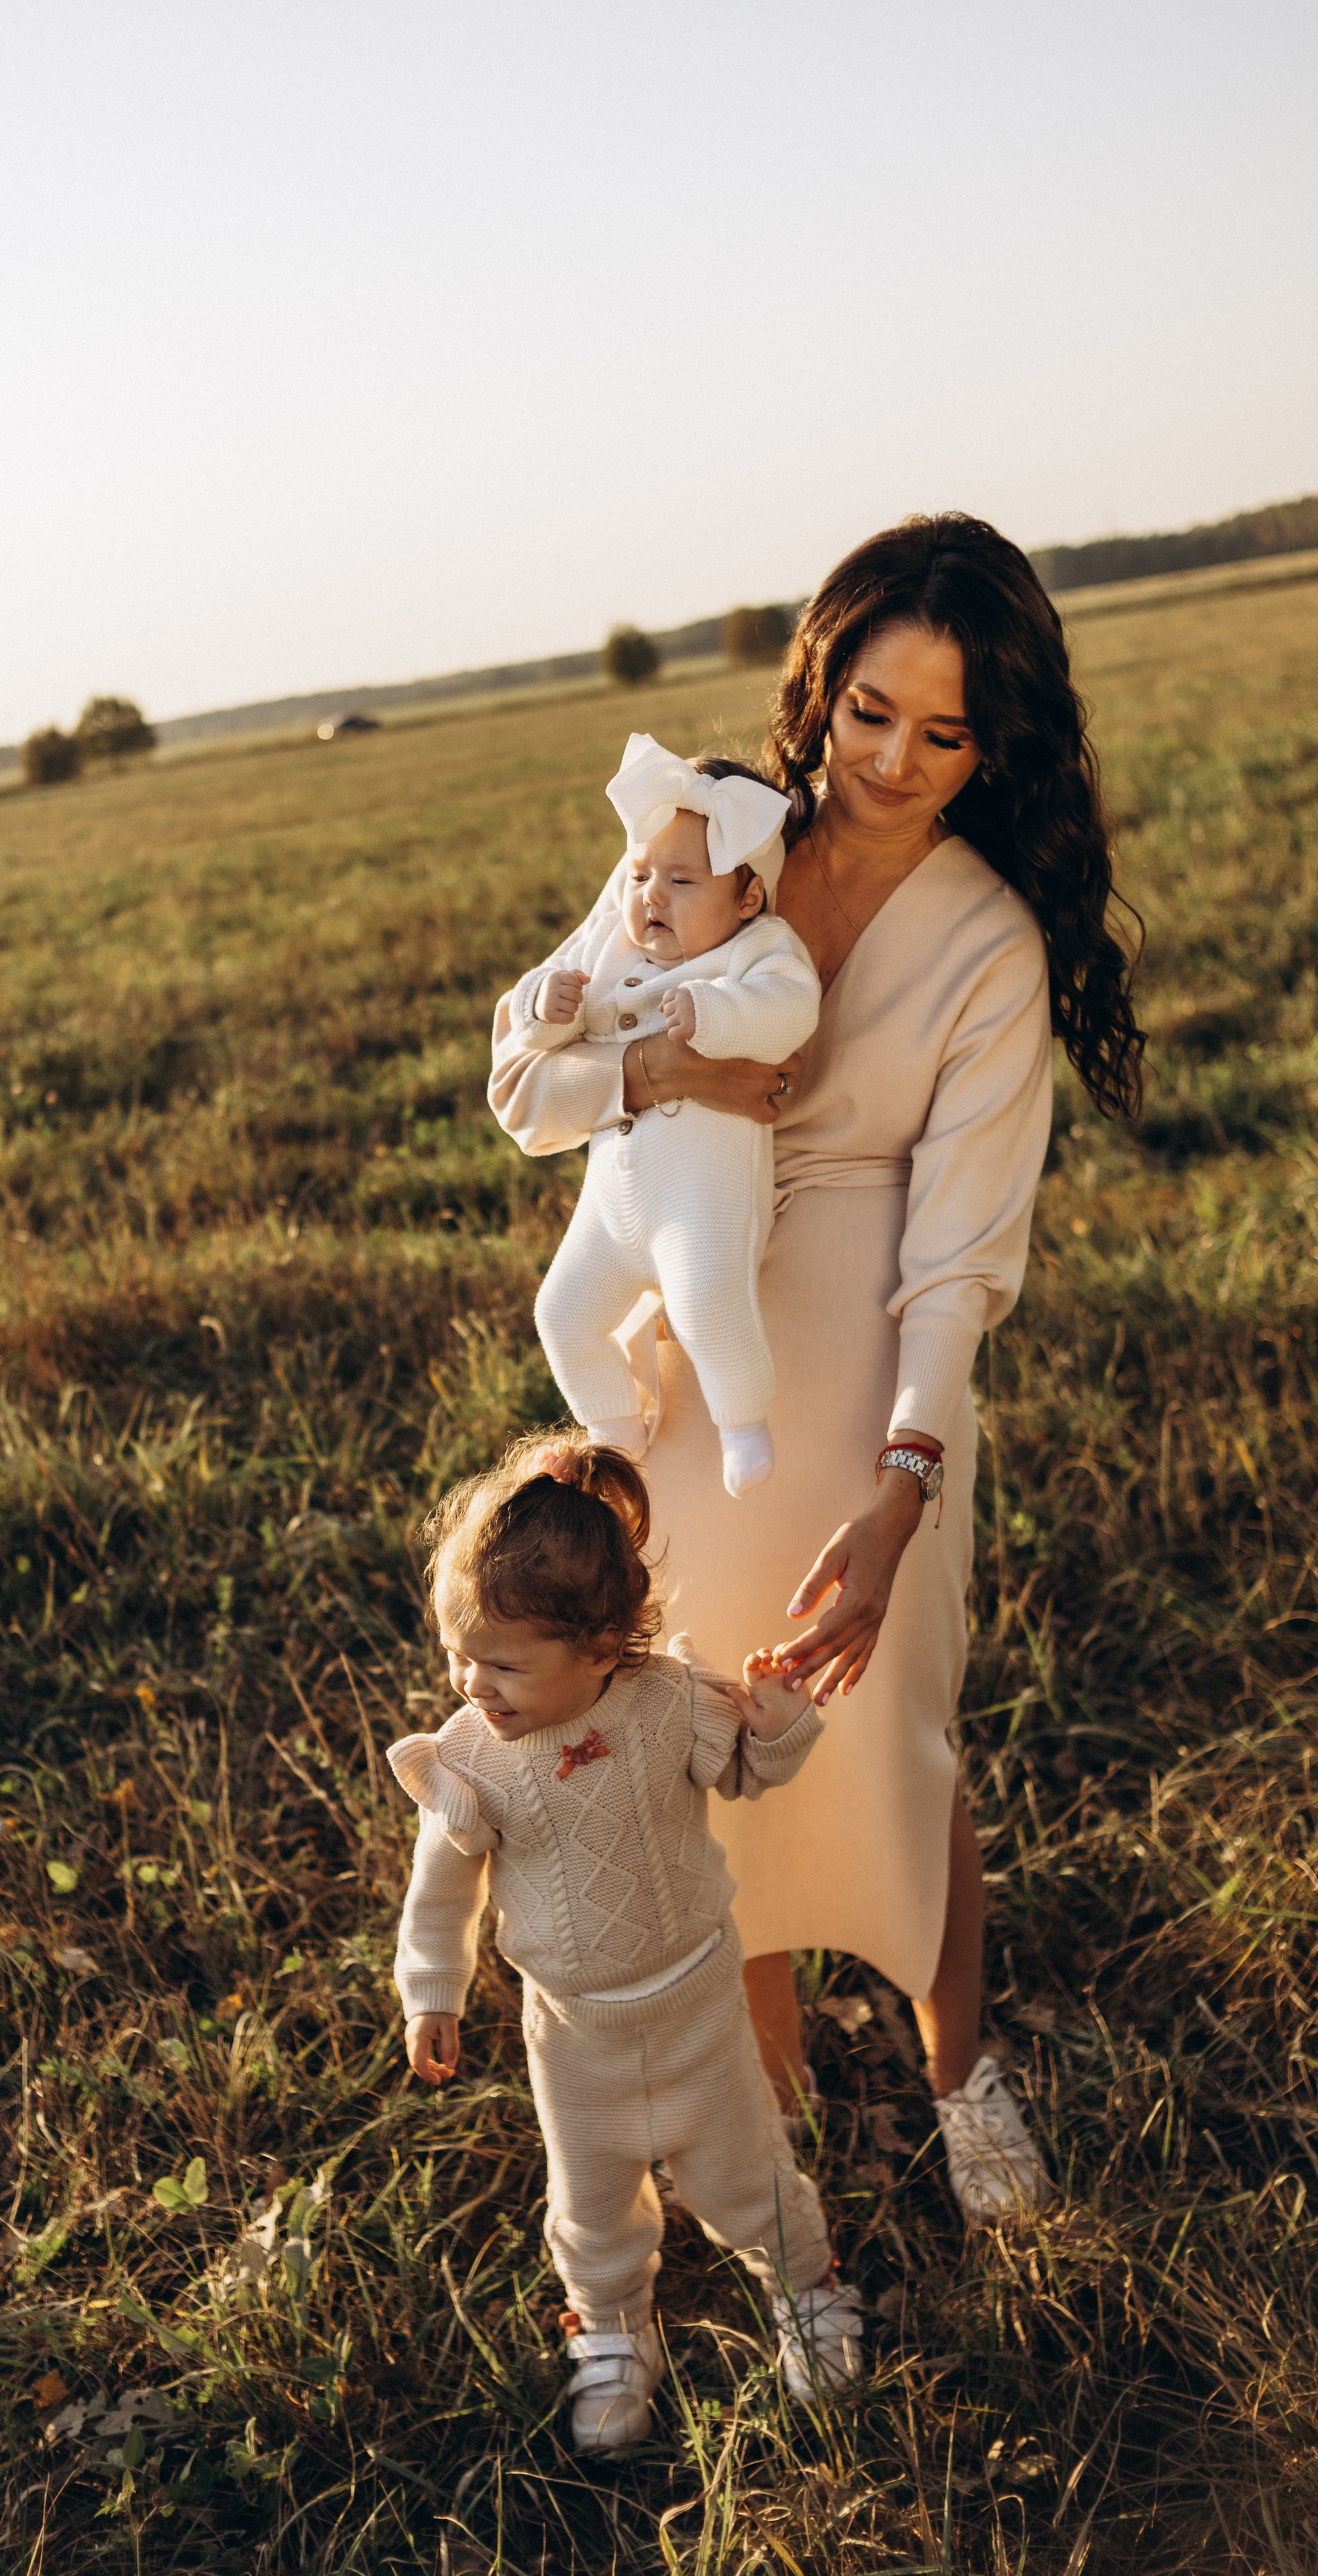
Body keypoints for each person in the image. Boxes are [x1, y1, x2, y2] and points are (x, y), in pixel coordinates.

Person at [489, 514, 1144, 2221]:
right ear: (817, 684)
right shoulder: (700, 839)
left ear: (996, 745)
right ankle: (770, 2116)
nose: (892, 763)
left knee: (888, 1735)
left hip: (868, 1376)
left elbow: (958, 1257)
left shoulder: (988, 940)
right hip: (693, 1369)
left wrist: (906, 1481)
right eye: (867, 712)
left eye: (943, 734)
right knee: (705, 1731)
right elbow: (532, 1078)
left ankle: (957, 2071)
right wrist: (665, 1074)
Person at [388, 1435, 866, 2449]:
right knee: (593, 2196)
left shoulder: (669, 1705)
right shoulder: (472, 1760)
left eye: (504, 1664)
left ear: (603, 1649)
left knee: (743, 2170)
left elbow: (751, 1770)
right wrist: (432, 1990)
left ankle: (806, 2288)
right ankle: (610, 2330)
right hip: (574, 2032)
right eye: (455, 1653)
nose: (472, 1682)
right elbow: (441, 1892)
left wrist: (777, 1709)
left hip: (697, 2000)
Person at [509, 733, 820, 1494]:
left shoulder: (757, 949)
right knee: (561, 1312)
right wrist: (542, 1009)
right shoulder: (614, 947)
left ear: (747, 899)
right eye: (641, 874)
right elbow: (537, 1039)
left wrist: (715, 1014)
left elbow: (791, 1008)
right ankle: (613, 1432)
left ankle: (742, 1422)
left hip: (697, 1202)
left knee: (708, 1298)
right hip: (610, 1209)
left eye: (681, 881)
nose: (650, 896)